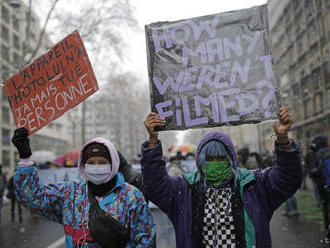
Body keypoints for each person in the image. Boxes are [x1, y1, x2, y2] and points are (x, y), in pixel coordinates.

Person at [141, 107, 302, 248]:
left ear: (231, 158)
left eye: (221, 157)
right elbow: (156, 187)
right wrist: (153, 142)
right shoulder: (185, 189)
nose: (215, 162)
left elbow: (287, 180)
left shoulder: (253, 185)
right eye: (209, 159)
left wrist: (283, 140)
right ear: (201, 161)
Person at [12, 127, 156, 248]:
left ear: (113, 165)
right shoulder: (70, 194)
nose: (96, 167)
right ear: (83, 166)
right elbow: (32, 198)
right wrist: (25, 158)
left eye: (102, 162)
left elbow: (146, 241)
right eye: (91, 162)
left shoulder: (132, 197)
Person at [309, 134, 330, 241]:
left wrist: (313, 172)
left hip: (324, 186)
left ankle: (327, 229)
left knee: (326, 208)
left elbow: (318, 169)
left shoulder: (320, 153)